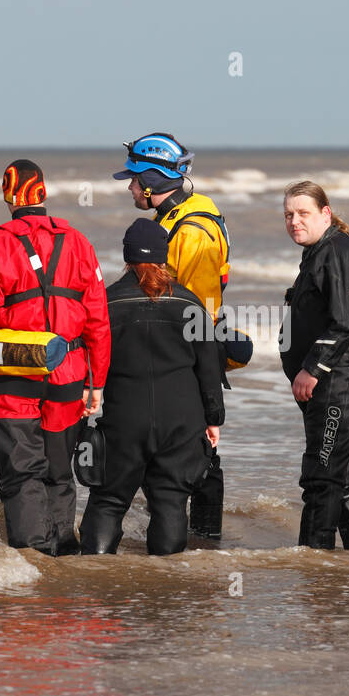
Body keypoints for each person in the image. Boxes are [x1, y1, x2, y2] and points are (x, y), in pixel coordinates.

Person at [0, 160, 110, 556]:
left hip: (13, 379)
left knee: (21, 476)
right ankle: (62, 556)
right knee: (60, 475)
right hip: (67, 378)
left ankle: (31, 567)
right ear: (43, 194)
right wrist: (96, 382)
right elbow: (98, 319)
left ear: (9, 198)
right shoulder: (78, 242)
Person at [79, 219, 225, 555]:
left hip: (124, 419)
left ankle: (93, 572)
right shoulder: (190, 304)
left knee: (110, 500)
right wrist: (213, 418)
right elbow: (209, 368)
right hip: (181, 420)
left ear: (127, 258)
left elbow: (89, 360)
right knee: (171, 502)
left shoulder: (106, 302)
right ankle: (166, 583)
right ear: (164, 257)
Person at [114, 132, 232, 541]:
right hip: (177, 362)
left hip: (187, 364)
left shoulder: (191, 231)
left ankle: (202, 549)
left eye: (133, 180)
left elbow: (195, 315)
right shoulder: (173, 221)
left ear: (151, 182)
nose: (129, 188)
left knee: (200, 465)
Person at [281, 181, 349, 550]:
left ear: (325, 213)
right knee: (339, 479)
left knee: (322, 480)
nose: (294, 221)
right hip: (329, 385)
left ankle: (313, 566)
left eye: (303, 213)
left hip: (344, 383)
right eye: (289, 215)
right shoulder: (318, 251)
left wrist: (312, 369)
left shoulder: (340, 250)